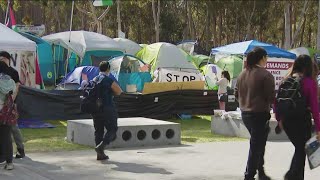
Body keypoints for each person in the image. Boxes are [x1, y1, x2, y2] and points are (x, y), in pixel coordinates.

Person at [275, 55, 320, 180]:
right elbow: (315, 108)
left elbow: (277, 101)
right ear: (309, 67)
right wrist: (318, 128)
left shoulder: (286, 80)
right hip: (301, 121)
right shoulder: (309, 82)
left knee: (300, 149)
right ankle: (292, 175)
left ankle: (294, 175)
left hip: (287, 122)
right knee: (301, 150)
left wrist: (279, 120)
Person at [235, 47, 275, 180]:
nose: (267, 60)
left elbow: (236, 93)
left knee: (259, 143)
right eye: (266, 57)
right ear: (262, 58)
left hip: (245, 113)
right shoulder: (265, 75)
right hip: (259, 114)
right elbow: (271, 97)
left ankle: (261, 171)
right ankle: (249, 175)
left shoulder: (242, 74)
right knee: (256, 145)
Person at [92, 61, 122, 160]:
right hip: (107, 107)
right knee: (112, 129)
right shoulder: (107, 80)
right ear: (108, 69)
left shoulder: (94, 79)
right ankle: (101, 147)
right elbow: (119, 91)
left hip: (96, 109)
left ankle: (100, 155)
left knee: (98, 131)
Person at [0, 51, 25, 159]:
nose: (0, 61)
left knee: (14, 127)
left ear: (7, 59)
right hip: (1, 104)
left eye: (2, 58)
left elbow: (17, 87)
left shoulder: (13, 72)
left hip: (10, 104)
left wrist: (10, 102)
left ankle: (20, 149)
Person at [0, 61, 16, 170]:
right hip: (7, 112)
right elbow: (12, 92)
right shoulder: (11, 81)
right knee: (6, 137)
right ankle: (9, 162)